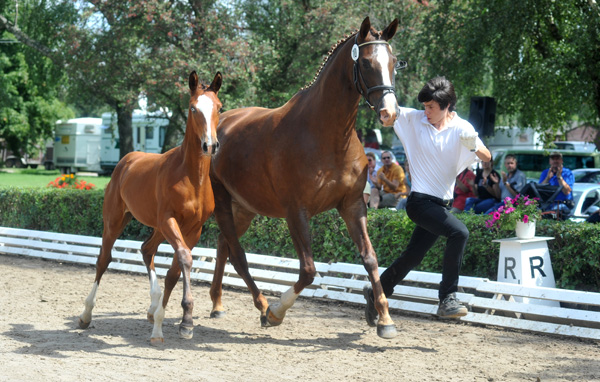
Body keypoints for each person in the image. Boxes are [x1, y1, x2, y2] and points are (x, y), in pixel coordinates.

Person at [363, 76, 491, 323]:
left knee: (413, 256)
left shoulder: (462, 128)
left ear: (447, 106)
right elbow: (391, 113)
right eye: (425, 106)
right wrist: (386, 114)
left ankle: (378, 291)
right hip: (419, 202)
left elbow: (486, 156)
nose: (427, 111)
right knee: (460, 233)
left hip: (440, 204)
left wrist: (473, 144)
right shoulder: (414, 119)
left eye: (432, 107)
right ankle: (448, 298)